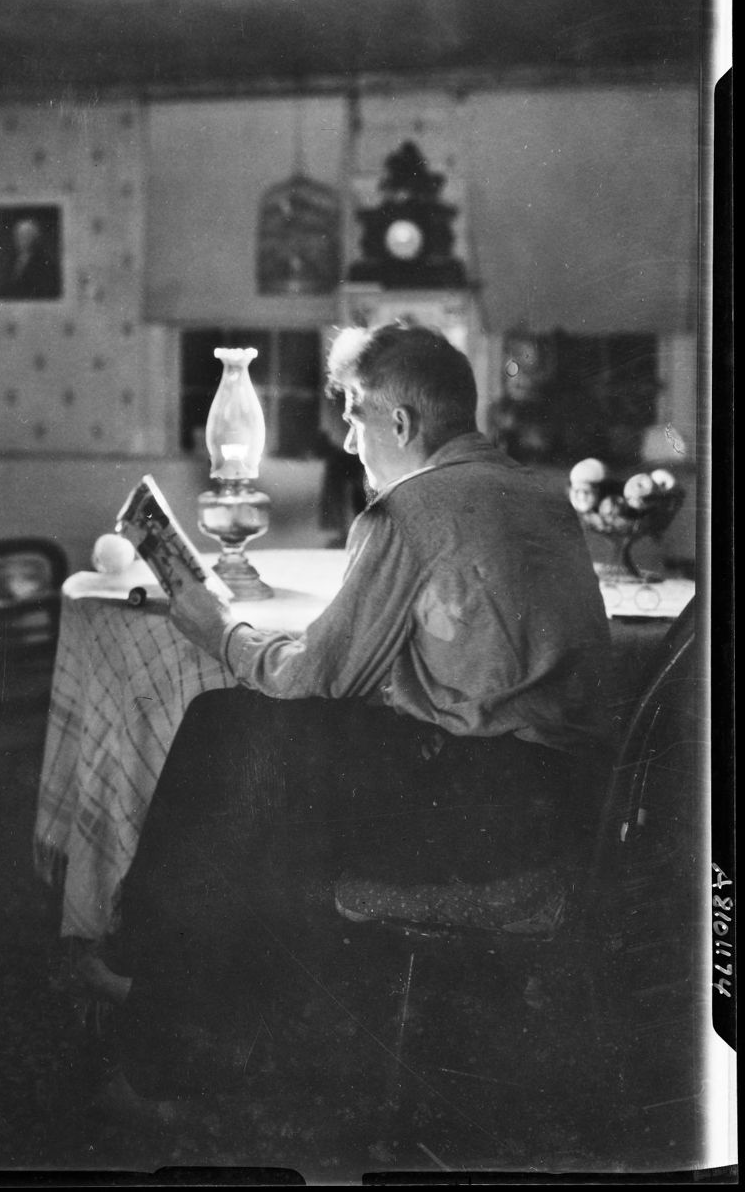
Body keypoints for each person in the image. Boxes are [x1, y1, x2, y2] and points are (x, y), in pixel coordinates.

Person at [104, 324, 613, 1112]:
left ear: (400, 423)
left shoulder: (413, 508)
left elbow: (314, 675)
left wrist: (216, 627)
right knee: (267, 753)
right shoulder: (542, 494)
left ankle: (164, 992)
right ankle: (202, 1004)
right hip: (564, 797)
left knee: (231, 727)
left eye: (352, 416)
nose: (348, 439)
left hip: (484, 810)